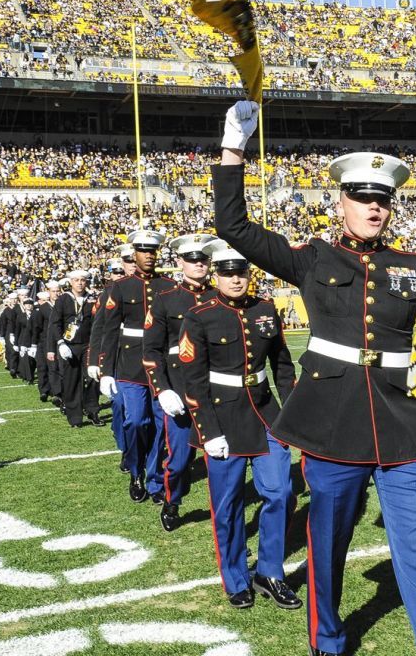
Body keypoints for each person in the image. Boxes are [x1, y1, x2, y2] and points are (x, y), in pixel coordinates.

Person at [213, 101, 416, 656]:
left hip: (403, 429)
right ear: (341, 201)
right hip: (331, 429)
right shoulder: (312, 257)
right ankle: (327, 641)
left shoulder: (414, 267)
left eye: (383, 200)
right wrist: (234, 149)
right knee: (326, 550)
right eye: (363, 198)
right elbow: (232, 226)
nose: (374, 208)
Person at [177, 239, 300, 609]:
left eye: (241, 272)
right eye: (228, 273)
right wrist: (207, 432)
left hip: (265, 412)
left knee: (280, 494)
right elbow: (192, 379)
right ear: (216, 275)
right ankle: (236, 578)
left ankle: (270, 572)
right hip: (222, 418)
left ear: (250, 274)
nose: (235, 279)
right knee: (228, 505)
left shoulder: (265, 308)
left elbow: (281, 363)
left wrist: (292, 414)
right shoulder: (200, 316)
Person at [141, 233, 218, 530]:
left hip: (215, 387)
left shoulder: (218, 297)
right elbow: (151, 351)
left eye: (203, 259)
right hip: (180, 387)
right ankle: (172, 501)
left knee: (221, 458)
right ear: (180, 262)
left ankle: (223, 515)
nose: (199, 264)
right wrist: (162, 390)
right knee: (180, 458)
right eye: (192, 259)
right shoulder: (165, 300)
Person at [95, 229, 174, 502]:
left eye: (152, 251)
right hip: (131, 366)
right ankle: (135, 469)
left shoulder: (168, 285)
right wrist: (106, 370)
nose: (148, 256)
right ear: (134, 254)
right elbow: (109, 330)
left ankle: (153, 481)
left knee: (160, 426)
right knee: (137, 421)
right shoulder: (121, 287)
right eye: (143, 251)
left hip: (162, 367)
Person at [90, 248, 137, 466]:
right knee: (119, 404)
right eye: (128, 261)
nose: (132, 265)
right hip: (117, 357)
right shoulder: (110, 292)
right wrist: (94, 361)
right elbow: (99, 328)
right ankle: (126, 447)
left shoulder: (156, 289)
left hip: (146, 357)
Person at [49, 269, 100, 428]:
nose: (79, 283)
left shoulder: (92, 299)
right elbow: (55, 323)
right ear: (70, 282)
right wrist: (60, 343)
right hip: (68, 345)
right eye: (76, 280)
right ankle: (75, 416)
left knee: (93, 377)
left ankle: (92, 410)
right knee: (72, 381)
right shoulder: (63, 299)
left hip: (88, 345)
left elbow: (98, 323)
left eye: (82, 280)